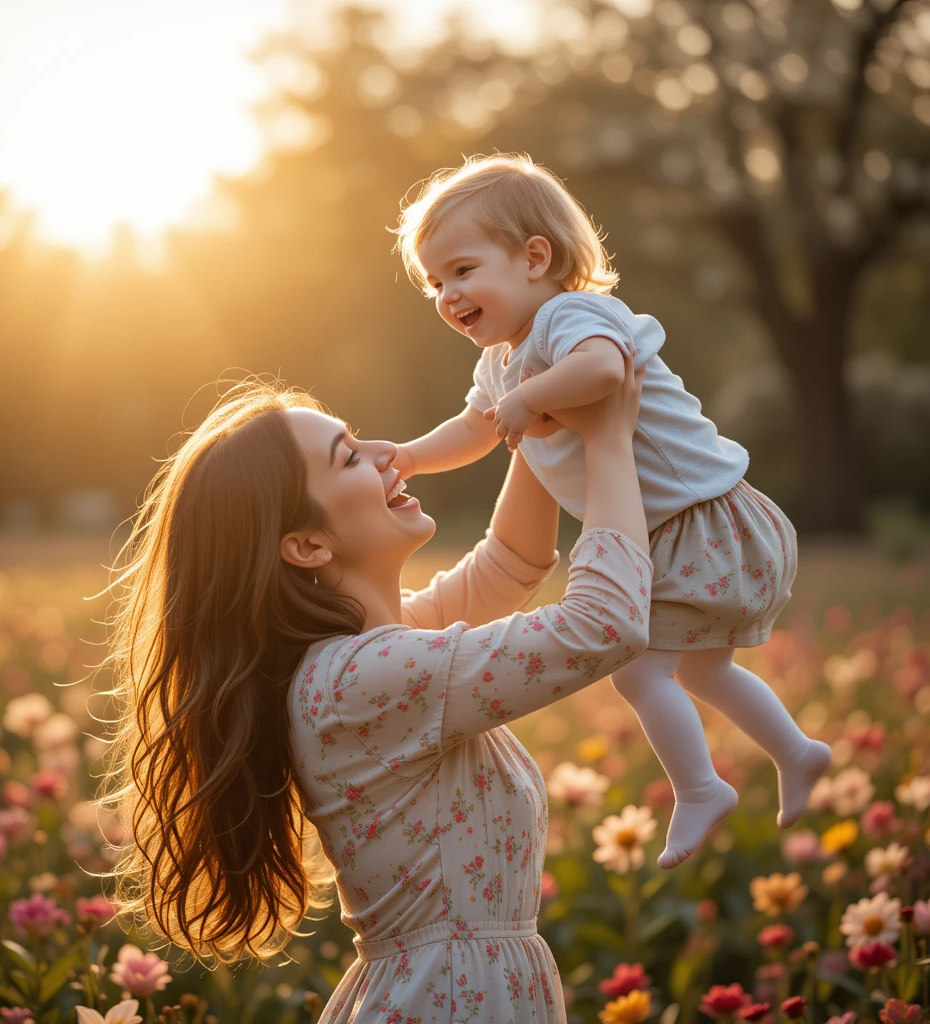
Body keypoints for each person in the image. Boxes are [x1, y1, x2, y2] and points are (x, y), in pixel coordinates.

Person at [102, 362, 650, 1022]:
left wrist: (538, 397)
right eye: (349, 458)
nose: (385, 454)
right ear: (306, 545)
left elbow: (511, 563)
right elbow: (606, 624)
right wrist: (607, 437)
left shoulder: (367, 661)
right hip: (447, 1002)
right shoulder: (363, 679)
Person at [392, 152, 831, 869]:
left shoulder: (575, 314)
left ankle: (699, 790)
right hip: (670, 532)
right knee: (698, 671)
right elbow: (477, 429)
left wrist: (532, 398)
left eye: (463, 271)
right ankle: (797, 751)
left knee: (639, 672)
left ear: (536, 257)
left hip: (705, 520)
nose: (447, 294)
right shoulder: (502, 360)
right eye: (436, 282)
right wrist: (410, 456)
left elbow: (603, 372)